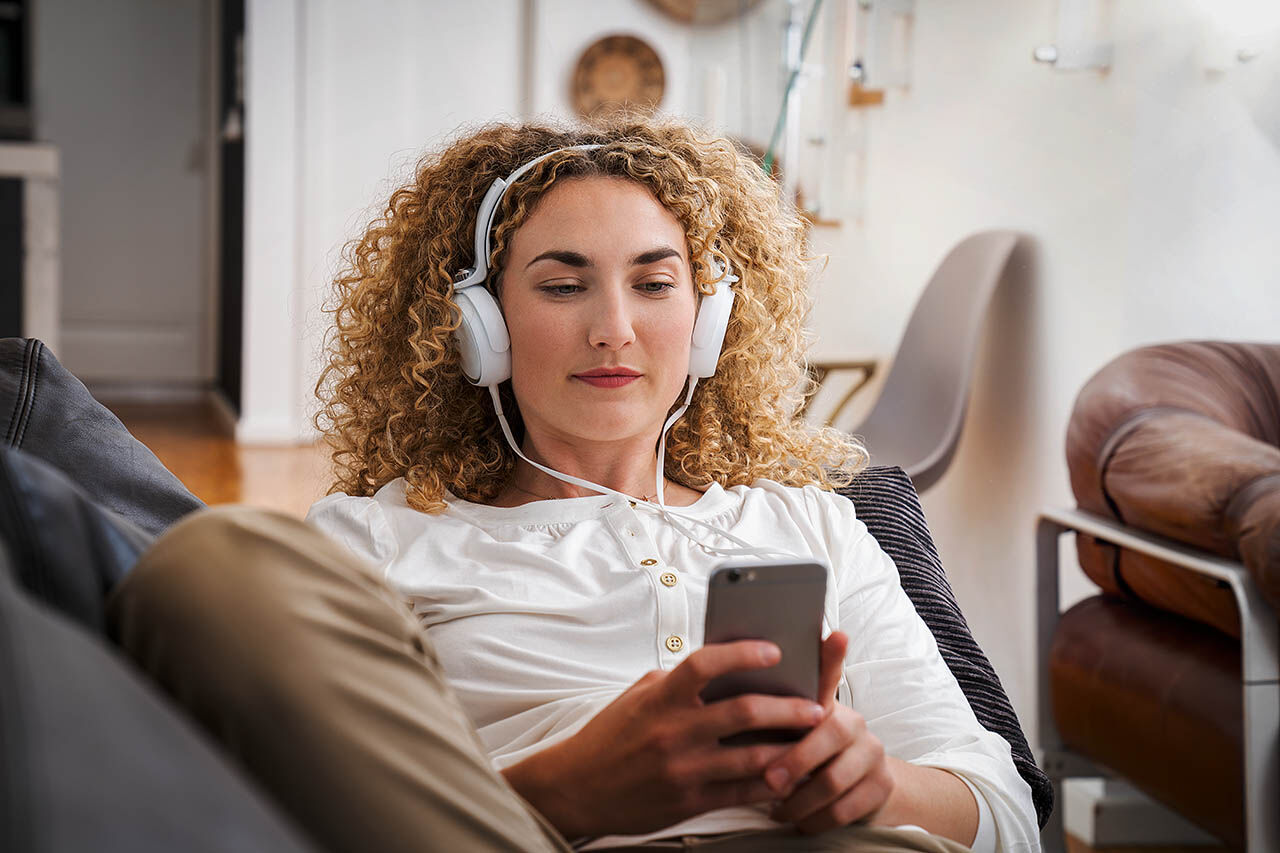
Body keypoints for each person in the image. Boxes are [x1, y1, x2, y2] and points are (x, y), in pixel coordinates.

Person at [108, 113, 1040, 853]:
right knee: (216, 559)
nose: (614, 329)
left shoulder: (815, 521)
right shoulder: (378, 539)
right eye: (563, 286)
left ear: (708, 320)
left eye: (654, 283)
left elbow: (1004, 811)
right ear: (481, 328)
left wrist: (876, 787)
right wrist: (569, 791)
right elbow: (320, 810)